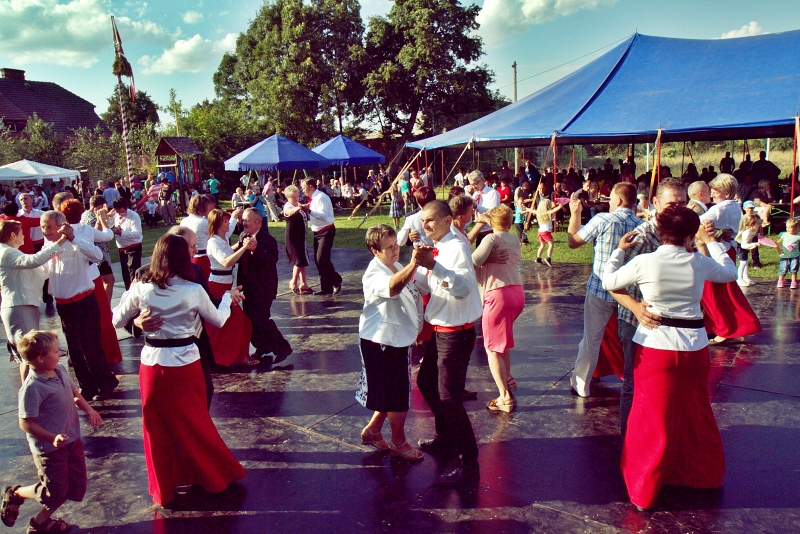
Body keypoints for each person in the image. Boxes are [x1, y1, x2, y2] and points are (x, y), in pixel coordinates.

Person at [603, 206, 735, 511]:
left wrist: (617, 253)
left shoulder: (644, 261)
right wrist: (710, 241)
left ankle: (645, 487)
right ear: (690, 234)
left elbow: (609, 281)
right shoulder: (699, 262)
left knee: (651, 416)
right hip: (694, 350)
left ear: (660, 232)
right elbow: (729, 273)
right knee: (695, 411)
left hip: (654, 349)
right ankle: (701, 475)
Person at [111, 235, 245, 506]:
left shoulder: (141, 288)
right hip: (185, 366)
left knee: (156, 428)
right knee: (195, 424)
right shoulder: (193, 290)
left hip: (152, 365)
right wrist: (228, 299)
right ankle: (210, 476)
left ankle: (164, 489)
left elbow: (116, 320)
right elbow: (218, 320)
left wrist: (136, 320)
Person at [1, 331, 101, 534]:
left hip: (72, 440)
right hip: (49, 449)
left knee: (74, 486)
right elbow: (25, 424)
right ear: (40, 358)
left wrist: (89, 409)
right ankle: (16, 494)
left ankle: (41, 522)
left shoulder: (60, 370)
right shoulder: (33, 387)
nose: (60, 353)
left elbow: (74, 394)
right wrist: (51, 437)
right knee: (54, 490)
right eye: (56, 351)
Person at [413, 201, 483, 486]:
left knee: (449, 398)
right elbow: (427, 283)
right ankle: (445, 438)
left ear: (448, 220)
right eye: (423, 220)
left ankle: (469, 461)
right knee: (427, 383)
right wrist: (410, 267)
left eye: (431, 220)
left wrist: (434, 267)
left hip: (455, 333)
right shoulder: (438, 245)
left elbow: (464, 288)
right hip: (440, 330)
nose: (426, 225)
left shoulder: (457, 247)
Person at [567, 182, 642, 398]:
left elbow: (573, 242)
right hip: (629, 292)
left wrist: (575, 214)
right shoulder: (641, 225)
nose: (608, 202)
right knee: (630, 340)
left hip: (600, 288)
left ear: (618, 200)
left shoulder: (603, 220)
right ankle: (634, 381)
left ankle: (582, 384)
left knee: (592, 337)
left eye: (610, 198)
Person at [357, 225, 425, 461]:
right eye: (390, 247)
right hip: (381, 341)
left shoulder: (394, 265)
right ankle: (398, 442)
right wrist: (414, 263)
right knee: (397, 394)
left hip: (396, 338)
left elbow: (415, 288)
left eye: (397, 245)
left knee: (392, 390)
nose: (396, 250)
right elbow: (393, 288)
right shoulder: (374, 274)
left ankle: (374, 431)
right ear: (375, 251)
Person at [471, 205, 524, 413]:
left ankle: (503, 397)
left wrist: (481, 223)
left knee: (491, 348)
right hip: (516, 292)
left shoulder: (491, 239)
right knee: (503, 343)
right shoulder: (514, 240)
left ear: (492, 223)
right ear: (510, 223)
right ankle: (507, 378)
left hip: (498, 294)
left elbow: (473, 260)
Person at [699, 174, 762, 343]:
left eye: (715, 191)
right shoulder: (735, 206)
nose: (712, 194)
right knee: (722, 291)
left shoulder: (719, 209)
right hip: (728, 250)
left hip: (717, 251)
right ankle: (718, 326)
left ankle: (726, 329)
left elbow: (695, 222)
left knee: (713, 292)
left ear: (726, 193)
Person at [61, 199, 123, 366]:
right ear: (80, 212)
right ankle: (107, 353)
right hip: (91, 276)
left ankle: (79, 356)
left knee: (76, 321)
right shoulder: (85, 229)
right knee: (101, 315)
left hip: (73, 279)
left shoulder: (61, 232)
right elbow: (108, 235)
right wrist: (102, 220)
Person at [0, 221, 65, 380]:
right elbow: (33, 261)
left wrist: (50, 254)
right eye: (21, 232)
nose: (24, 235)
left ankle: (30, 394)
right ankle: (29, 396)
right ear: (13, 235)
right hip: (19, 306)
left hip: (23, 306)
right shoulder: (7, 253)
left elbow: (37, 270)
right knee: (29, 357)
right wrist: (60, 241)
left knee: (29, 357)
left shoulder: (12, 252)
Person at [238, 208, 293, 363]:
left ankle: (282, 347)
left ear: (258, 222)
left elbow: (271, 261)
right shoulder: (243, 236)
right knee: (250, 320)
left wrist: (256, 250)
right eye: (243, 220)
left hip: (264, 288)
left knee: (261, 318)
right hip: (247, 288)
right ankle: (261, 347)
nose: (244, 223)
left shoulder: (269, 241)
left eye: (247, 220)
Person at [205, 209, 257, 367]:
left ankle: (234, 356)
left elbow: (229, 251)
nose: (229, 223)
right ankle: (235, 357)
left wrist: (241, 245)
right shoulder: (213, 242)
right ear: (218, 224)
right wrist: (244, 248)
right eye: (226, 221)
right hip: (217, 288)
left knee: (233, 324)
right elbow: (226, 262)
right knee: (239, 323)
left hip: (226, 285)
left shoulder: (223, 239)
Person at [301, 178, 343, 296]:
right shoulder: (314, 198)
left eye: (304, 187)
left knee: (322, 259)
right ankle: (326, 287)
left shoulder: (321, 197)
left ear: (310, 186)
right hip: (318, 231)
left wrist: (309, 211)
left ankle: (336, 279)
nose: (303, 190)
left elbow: (324, 216)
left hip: (326, 230)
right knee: (319, 260)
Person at [281, 185, 312, 294]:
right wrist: (300, 207)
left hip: (301, 237)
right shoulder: (287, 206)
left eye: (297, 195)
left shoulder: (298, 205)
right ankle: (293, 282)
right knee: (298, 260)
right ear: (288, 197)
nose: (296, 198)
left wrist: (306, 207)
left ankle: (303, 283)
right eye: (293, 197)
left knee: (303, 260)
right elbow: (290, 212)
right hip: (293, 238)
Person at [469, 170, 501, 245]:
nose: (474, 187)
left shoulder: (492, 193)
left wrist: (476, 206)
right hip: (479, 231)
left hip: (490, 231)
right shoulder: (476, 194)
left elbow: (492, 211)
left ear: (483, 180)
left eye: (475, 184)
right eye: (471, 185)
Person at [535, 197, 563, 266]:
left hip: (540, 232)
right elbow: (555, 210)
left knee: (542, 245)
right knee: (551, 245)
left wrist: (526, 209)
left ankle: (538, 258)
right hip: (546, 232)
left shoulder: (539, 212)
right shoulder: (548, 212)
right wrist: (560, 206)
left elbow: (531, 210)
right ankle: (548, 258)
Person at [736, 214, 762, 287]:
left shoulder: (755, 229)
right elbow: (743, 245)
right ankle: (739, 279)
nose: (759, 225)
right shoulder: (747, 232)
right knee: (743, 262)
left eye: (760, 223)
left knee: (746, 262)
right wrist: (754, 245)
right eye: (758, 223)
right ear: (751, 224)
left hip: (746, 244)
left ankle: (746, 278)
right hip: (740, 245)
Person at [775, 218, 800, 289]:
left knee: (794, 269)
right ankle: (780, 281)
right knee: (783, 269)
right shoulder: (784, 235)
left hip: (795, 256)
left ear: (796, 227)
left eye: (790, 228)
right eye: (787, 227)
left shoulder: (798, 236)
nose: (788, 229)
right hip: (784, 256)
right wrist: (779, 251)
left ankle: (794, 282)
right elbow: (777, 243)